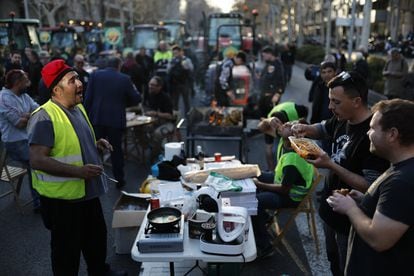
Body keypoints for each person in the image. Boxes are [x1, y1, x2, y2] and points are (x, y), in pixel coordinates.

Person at [27, 59, 126, 275]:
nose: (80, 83)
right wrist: (79, 172)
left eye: (78, 78)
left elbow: (74, 142)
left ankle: (100, 271)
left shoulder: (78, 107)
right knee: (66, 254)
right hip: (64, 202)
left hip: (87, 195)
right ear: (56, 89)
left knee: (96, 241)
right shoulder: (44, 116)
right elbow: (37, 160)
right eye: (72, 80)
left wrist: (96, 144)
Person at [291, 71, 389, 276]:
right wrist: (304, 128)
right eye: (329, 101)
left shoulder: (373, 136)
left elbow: (370, 186)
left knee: (347, 268)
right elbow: (323, 128)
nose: (330, 107)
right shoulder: (342, 118)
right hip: (331, 212)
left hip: (351, 222)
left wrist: (330, 165)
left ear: (356, 101)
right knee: (333, 262)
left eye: (336, 102)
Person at [328, 99, 414, 275]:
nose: (368, 133)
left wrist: (350, 209)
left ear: (392, 134)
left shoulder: (402, 181)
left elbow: (379, 239)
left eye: (373, 128)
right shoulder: (400, 169)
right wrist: (364, 201)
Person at [252, 116, 315, 258]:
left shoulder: (293, 158)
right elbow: (262, 127)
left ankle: (265, 246)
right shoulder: (286, 141)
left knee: (254, 202)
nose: (286, 124)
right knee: (253, 173)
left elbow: (284, 189)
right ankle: (263, 218)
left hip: (291, 196)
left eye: (291, 125)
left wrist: (260, 184)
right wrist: (270, 120)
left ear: (296, 135)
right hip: (281, 180)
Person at [84, 56, 141, 188]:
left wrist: (86, 117)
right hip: (115, 120)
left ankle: (94, 179)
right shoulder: (124, 78)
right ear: (119, 65)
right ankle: (119, 180)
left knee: (96, 149)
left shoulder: (95, 76)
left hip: (97, 118)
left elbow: (88, 98)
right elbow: (136, 98)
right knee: (116, 151)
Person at [0, 70, 40, 212]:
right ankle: (39, 203)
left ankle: (44, 197)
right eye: (26, 80)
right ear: (18, 83)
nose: (28, 83)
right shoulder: (4, 98)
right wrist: (30, 116)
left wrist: (27, 115)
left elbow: (39, 110)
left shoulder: (23, 95)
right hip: (14, 142)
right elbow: (19, 123)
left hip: (28, 138)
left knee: (48, 153)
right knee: (36, 162)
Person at [260, 101, 308, 171]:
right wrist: (267, 120)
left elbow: (306, 109)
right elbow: (261, 128)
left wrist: (304, 125)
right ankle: (271, 169)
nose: (285, 125)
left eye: (290, 125)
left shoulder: (296, 110)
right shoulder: (273, 125)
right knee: (270, 148)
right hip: (270, 119)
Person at [144, 76, 175, 160]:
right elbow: (145, 106)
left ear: (159, 87)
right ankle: (149, 147)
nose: (150, 86)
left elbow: (170, 116)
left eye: (153, 85)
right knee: (139, 129)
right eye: (150, 84)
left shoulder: (165, 98)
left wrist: (156, 113)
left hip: (167, 123)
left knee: (157, 134)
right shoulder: (148, 93)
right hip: (153, 121)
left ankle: (154, 156)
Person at [168, 45, 194, 114]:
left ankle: (188, 117)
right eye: (174, 53)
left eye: (176, 53)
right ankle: (175, 117)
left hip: (184, 83)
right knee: (175, 102)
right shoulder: (172, 60)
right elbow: (168, 70)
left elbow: (191, 69)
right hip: (175, 84)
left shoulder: (186, 60)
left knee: (186, 102)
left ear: (180, 52)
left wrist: (185, 66)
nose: (175, 55)